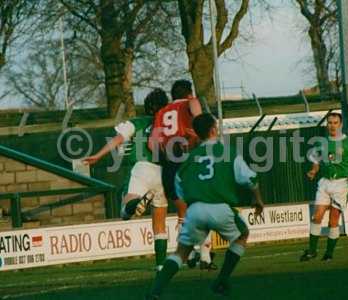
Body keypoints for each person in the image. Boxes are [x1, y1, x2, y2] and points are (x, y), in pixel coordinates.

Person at [146, 113, 264, 299]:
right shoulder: (228, 152)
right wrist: (257, 199)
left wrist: (193, 201)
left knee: (181, 252)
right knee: (242, 235)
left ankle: (155, 291)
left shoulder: (189, 158)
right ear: (212, 130)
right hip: (221, 207)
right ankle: (222, 279)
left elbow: (179, 184)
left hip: (195, 210)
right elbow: (250, 178)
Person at [83, 88, 170, 271]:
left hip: (142, 168)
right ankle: (161, 265)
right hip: (163, 172)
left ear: (148, 107)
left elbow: (118, 139)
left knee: (125, 209)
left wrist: (98, 156)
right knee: (160, 223)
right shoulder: (169, 126)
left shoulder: (137, 123)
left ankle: (134, 205)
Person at [149, 80, 216, 270]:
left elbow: (152, 145)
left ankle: (192, 252)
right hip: (189, 159)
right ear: (189, 93)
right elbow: (201, 120)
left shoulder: (162, 112)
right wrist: (196, 134)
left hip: (170, 164)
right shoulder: (190, 102)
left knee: (185, 211)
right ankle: (205, 257)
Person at [300, 112, 348, 261]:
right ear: (326, 124)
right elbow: (316, 161)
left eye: (335, 123)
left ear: (341, 124)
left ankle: (328, 253)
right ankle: (311, 251)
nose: (332, 126)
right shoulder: (321, 143)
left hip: (342, 184)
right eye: (329, 123)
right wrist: (313, 171)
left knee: (333, 220)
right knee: (316, 216)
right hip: (324, 182)